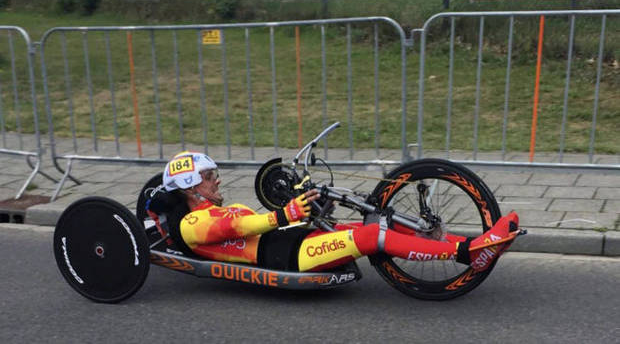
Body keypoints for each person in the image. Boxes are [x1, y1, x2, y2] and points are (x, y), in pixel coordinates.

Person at [149, 151, 518, 273]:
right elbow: (246, 225)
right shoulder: (194, 223)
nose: (216, 181)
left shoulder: (212, 210)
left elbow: (249, 223)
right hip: (287, 257)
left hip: (291, 241)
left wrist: (302, 206)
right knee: (373, 237)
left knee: (378, 224)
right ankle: (464, 254)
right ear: (189, 187)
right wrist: (285, 213)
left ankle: (477, 247)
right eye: (209, 177)